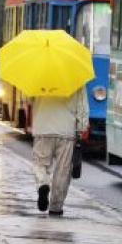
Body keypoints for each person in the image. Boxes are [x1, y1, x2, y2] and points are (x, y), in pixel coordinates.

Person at [31, 88, 88, 216]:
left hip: (43, 128)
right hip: (66, 131)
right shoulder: (77, 75)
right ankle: (56, 207)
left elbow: (29, 98)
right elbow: (82, 106)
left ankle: (42, 184)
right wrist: (81, 128)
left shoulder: (38, 72)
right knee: (63, 170)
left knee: (40, 163)